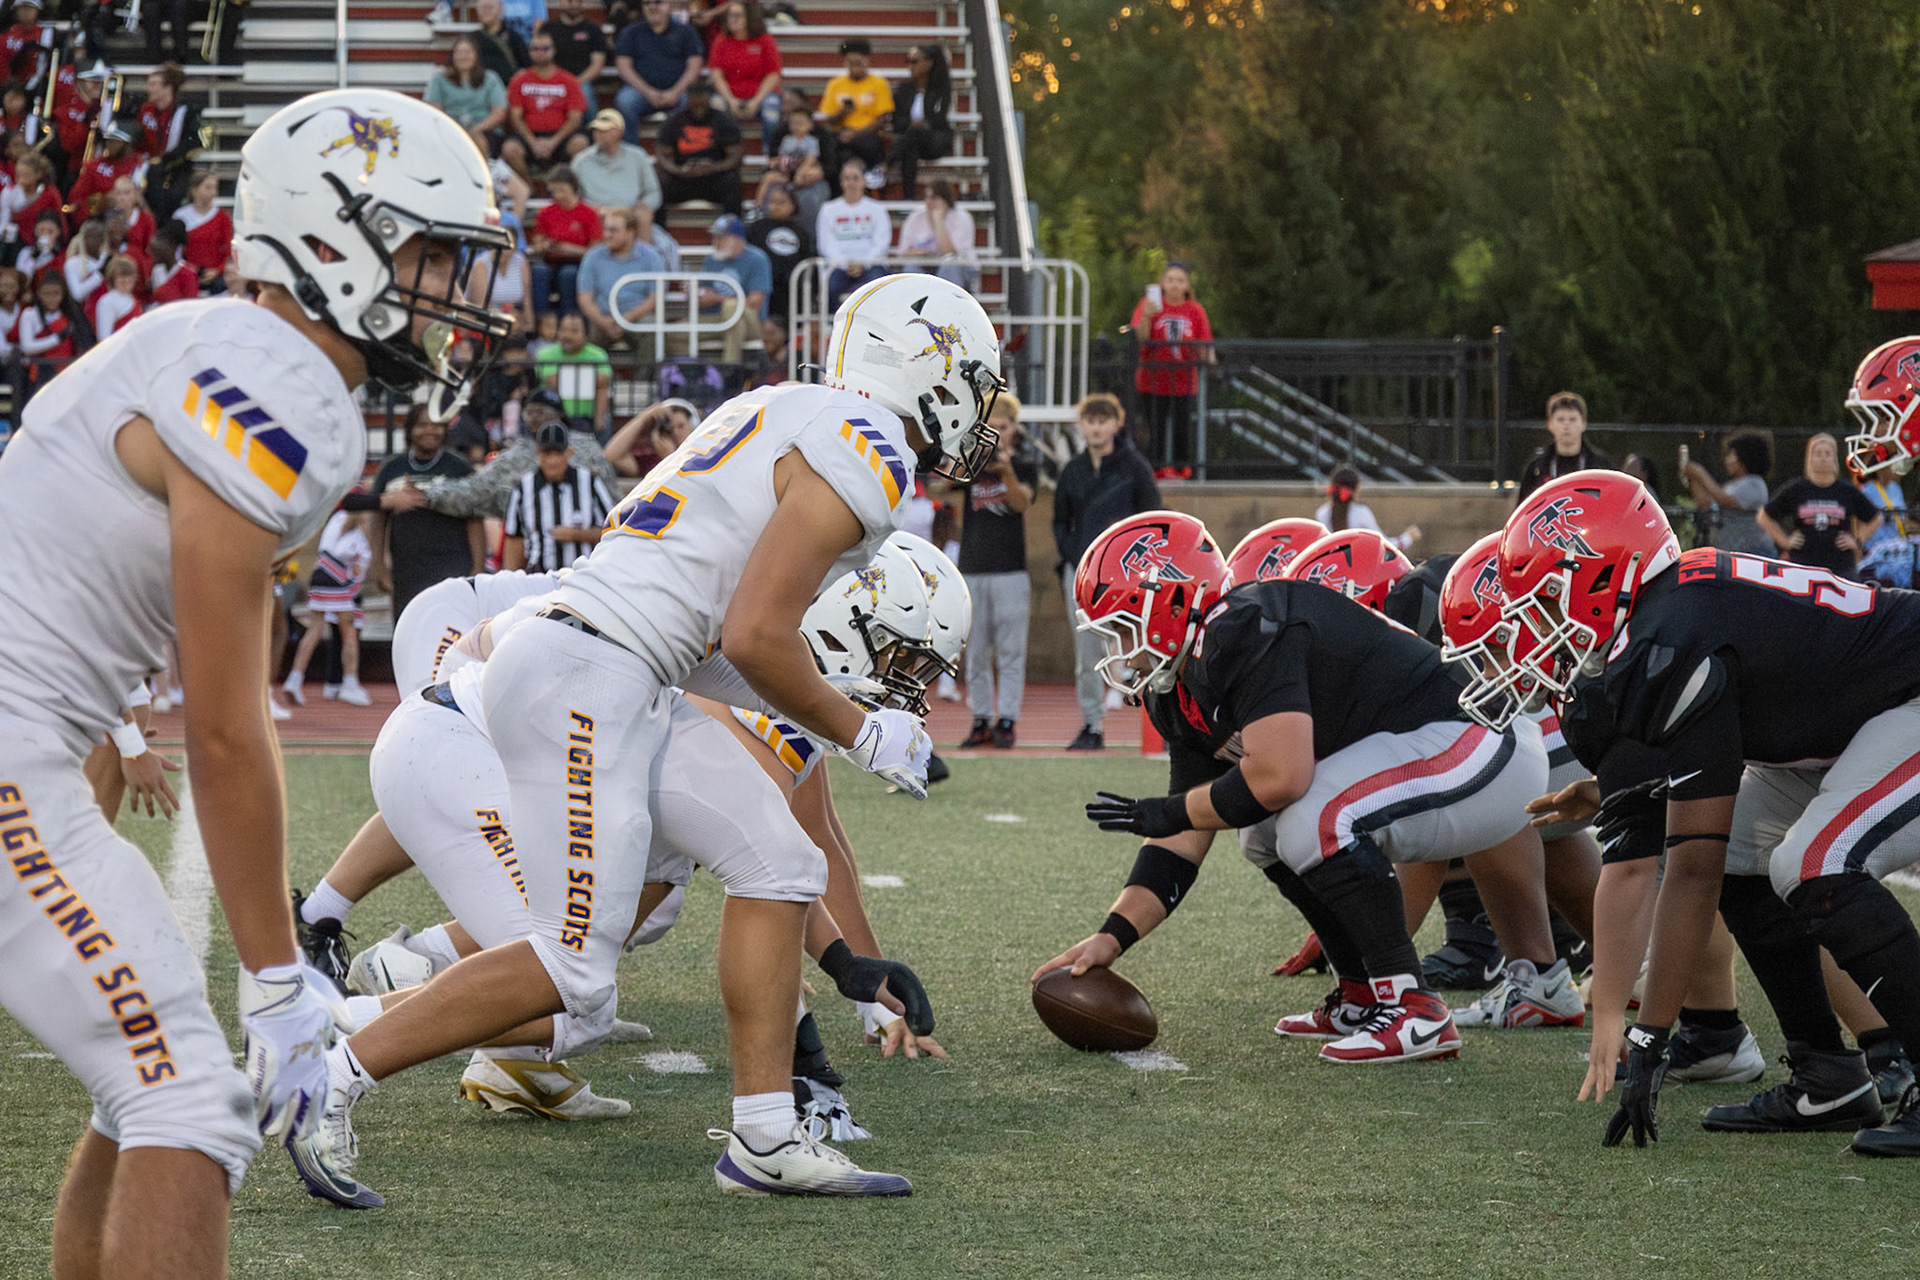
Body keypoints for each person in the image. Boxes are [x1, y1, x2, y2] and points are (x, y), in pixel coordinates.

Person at [294, 275, 1000, 1205]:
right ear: (929, 371)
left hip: (619, 666)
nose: (979, 415)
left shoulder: (778, 407)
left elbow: (710, 647)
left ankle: (763, 1139)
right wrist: (863, 728)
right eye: (975, 386)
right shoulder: (868, 452)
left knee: (780, 863)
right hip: (589, 674)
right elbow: (753, 635)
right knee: (573, 973)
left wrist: (825, 714)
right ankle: (331, 1072)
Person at [0, 85, 512, 1266]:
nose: (449, 291)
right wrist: (280, 979)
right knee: (191, 1096)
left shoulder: (211, 340)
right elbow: (227, 728)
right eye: (430, 253)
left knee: (136, 1080)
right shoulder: (278, 382)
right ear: (341, 241)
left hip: (31, 749)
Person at [1496, 470, 1920, 1154]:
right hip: (1858, 724)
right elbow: (1710, 808)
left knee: (1815, 861)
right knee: (1745, 855)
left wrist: (1649, 1037)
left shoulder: (1671, 637)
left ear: (1605, 572)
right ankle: (1829, 1074)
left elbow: (1687, 869)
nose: (1543, 621)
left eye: (1549, 594)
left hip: (1906, 701)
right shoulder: (1672, 612)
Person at [1038, 511, 1552, 1066]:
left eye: (1121, 626)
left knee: (1312, 815)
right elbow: (1184, 836)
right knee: (1259, 832)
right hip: (1442, 749)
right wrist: (1111, 938)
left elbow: (1281, 776)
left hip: (1486, 740)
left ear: (1167, 601)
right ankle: (1361, 993)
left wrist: (1166, 811)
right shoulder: (1179, 688)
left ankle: (1413, 1007)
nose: (1118, 647)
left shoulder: (1245, 627)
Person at [1052, 392, 1160, 751]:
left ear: (1117, 423)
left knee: (1147, 649)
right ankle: (1092, 724)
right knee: (1087, 656)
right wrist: (1077, 558)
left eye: (1103, 420)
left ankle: (1160, 728)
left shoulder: (1135, 468)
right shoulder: (1073, 470)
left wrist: (1134, 564)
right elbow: (1060, 522)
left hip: (1128, 578)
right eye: (1090, 421)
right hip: (1082, 578)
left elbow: (1153, 520)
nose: (1097, 428)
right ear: (1081, 425)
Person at [953, 392, 1034, 749]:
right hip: (972, 567)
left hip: (1010, 570)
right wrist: (973, 458)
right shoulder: (971, 462)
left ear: (1015, 428)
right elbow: (943, 482)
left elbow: (1022, 503)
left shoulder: (1026, 463)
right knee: (976, 651)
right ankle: (981, 718)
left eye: (1004, 426)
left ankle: (1008, 720)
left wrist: (1007, 471)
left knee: (1011, 652)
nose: (999, 433)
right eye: (992, 427)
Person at [368, 407, 484, 623]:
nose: (430, 430)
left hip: (453, 569)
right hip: (407, 572)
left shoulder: (459, 468)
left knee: (451, 637)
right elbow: (377, 520)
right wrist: (379, 566)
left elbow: (475, 521)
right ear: (410, 430)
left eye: (437, 425)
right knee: (409, 636)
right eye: (422, 425)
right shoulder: (392, 468)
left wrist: (477, 568)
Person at [284, 509, 376, 709]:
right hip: (337, 580)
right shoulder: (353, 531)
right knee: (350, 633)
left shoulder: (334, 520)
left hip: (319, 577)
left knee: (314, 630)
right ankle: (350, 682)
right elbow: (349, 557)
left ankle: (295, 678)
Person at [1758, 432, 1881, 581]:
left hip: (1840, 568)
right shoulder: (1797, 489)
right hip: (1803, 566)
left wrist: (1857, 541)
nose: (1823, 457)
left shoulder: (1846, 491)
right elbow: (1764, 517)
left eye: (1828, 453)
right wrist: (1784, 541)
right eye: (1817, 453)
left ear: (1834, 459)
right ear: (1809, 458)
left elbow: (1876, 518)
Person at [1129, 263, 1213, 468]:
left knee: (1182, 431)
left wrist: (1208, 360)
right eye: (1170, 280)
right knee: (1153, 432)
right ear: (1162, 284)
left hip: (1183, 381)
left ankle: (1180, 472)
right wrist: (1147, 315)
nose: (1175, 285)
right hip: (1153, 381)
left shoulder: (1195, 310)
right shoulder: (1148, 304)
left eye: (1180, 280)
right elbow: (1141, 338)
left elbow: (1205, 342)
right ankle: (1152, 473)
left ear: (1187, 286)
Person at [502, 419, 613, 572]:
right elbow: (514, 539)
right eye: (547, 453)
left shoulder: (590, 482)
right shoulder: (523, 488)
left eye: (558, 453)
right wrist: (510, 577)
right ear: (538, 454)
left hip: (581, 575)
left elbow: (611, 530)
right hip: (538, 575)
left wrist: (578, 535)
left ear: (569, 452)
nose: (552, 461)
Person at [613, 0, 704, 142]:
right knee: (624, 101)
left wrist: (675, 91)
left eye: (658, 2)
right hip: (641, 93)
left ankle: (684, 152)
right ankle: (631, 155)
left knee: (692, 101)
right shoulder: (630, 32)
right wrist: (648, 92)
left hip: (679, 92)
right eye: (647, 3)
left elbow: (695, 66)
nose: (652, 7)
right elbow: (623, 67)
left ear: (669, 5)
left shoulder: (686, 31)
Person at [502, 32, 589, 182]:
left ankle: (568, 188)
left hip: (561, 136)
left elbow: (575, 118)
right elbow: (516, 117)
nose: (540, 52)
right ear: (529, 52)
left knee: (580, 144)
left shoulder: (569, 80)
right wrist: (532, 142)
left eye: (545, 48)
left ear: (554, 50)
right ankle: (528, 188)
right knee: (510, 149)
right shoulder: (519, 80)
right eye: (535, 49)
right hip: (530, 136)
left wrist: (553, 142)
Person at [575, 204, 664, 349]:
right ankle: (594, 372)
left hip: (636, 317)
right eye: (606, 229)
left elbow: (655, 297)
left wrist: (626, 318)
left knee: (651, 330)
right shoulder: (592, 256)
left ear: (630, 232)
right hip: (602, 317)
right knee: (581, 334)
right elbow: (584, 297)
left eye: (614, 230)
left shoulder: (652, 257)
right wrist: (603, 321)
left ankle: (647, 373)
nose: (607, 235)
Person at [654, 78, 744, 215]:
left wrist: (713, 168)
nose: (698, 104)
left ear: (709, 99)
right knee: (660, 181)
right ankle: (658, 231)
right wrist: (679, 170)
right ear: (687, 99)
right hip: (683, 179)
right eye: (694, 99)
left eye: (702, 99)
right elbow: (662, 155)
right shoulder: (674, 121)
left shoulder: (724, 121)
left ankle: (732, 229)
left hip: (713, 178)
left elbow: (736, 156)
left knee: (732, 180)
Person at [1679, 429, 1773, 555]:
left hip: (1753, 552)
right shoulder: (1733, 485)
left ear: (1744, 457)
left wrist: (1700, 473)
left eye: (1732, 455)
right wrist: (1693, 479)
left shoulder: (1755, 484)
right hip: (1730, 551)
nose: (1728, 460)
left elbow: (1726, 500)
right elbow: (1706, 503)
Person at [815, 156, 890, 311]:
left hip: (871, 264)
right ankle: (832, 326)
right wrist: (845, 264)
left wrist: (863, 263)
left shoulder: (877, 209)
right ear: (841, 182)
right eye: (847, 178)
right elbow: (826, 243)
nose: (851, 183)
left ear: (863, 181)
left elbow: (882, 242)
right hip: (838, 265)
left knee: (877, 286)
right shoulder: (828, 209)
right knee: (831, 286)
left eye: (855, 178)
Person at [1513, 390, 1613, 504]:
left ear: (1584, 424)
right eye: (1561, 419)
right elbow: (1523, 511)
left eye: (1573, 419)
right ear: (1550, 424)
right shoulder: (1538, 468)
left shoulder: (1600, 466)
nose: (1567, 425)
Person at [708, 0, 782, 153]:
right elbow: (716, 75)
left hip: (761, 95)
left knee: (772, 113)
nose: (732, 19)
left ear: (750, 18)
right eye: (730, 16)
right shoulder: (721, 40)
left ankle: (771, 158)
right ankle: (721, 155)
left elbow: (773, 75)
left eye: (738, 15)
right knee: (716, 107)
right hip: (729, 95)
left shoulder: (765, 40)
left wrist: (756, 101)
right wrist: (731, 100)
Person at [527, 165, 602, 315]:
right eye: (554, 191)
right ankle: (541, 322)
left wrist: (570, 249)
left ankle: (568, 319)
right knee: (539, 272)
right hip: (551, 261)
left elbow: (596, 251)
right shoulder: (545, 213)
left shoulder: (588, 213)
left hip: (578, 263)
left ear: (572, 188)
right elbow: (537, 245)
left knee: (568, 274)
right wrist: (545, 246)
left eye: (562, 190)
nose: (558, 195)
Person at [699, 213, 769, 363]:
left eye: (721, 238)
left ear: (736, 239)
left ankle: (728, 370)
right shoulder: (711, 259)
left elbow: (755, 302)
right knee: (673, 335)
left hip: (752, 321)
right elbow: (702, 298)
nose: (715, 242)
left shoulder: (757, 258)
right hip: (715, 320)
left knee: (731, 308)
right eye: (715, 237)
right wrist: (693, 294)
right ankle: (694, 375)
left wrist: (717, 298)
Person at [426, 35, 510, 158]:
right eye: (459, 52)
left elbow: (499, 112)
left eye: (467, 52)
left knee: (476, 140)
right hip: (449, 130)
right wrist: (455, 131)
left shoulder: (491, 78)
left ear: (476, 55)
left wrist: (475, 131)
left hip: (485, 131)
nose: (463, 56)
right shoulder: (439, 79)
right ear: (452, 56)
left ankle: (485, 172)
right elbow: (434, 111)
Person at [820, 36, 892, 176]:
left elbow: (881, 119)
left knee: (864, 146)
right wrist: (842, 113)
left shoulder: (879, 83)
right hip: (842, 134)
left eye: (858, 63)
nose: (855, 68)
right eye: (851, 64)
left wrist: (855, 134)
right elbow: (830, 119)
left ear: (867, 61)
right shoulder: (835, 84)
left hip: (867, 134)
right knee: (831, 146)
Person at [136, 64, 198, 220]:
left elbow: (193, 143)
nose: (148, 89)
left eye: (153, 84)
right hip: (146, 167)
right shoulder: (143, 109)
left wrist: (166, 161)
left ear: (168, 88)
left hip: (175, 170)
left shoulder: (186, 112)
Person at [890, 43, 951, 197]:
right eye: (908, 61)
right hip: (911, 140)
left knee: (914, 134)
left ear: (929, 63)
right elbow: (897, 122)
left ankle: (886, 164)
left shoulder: (941, 90)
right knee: (911, 145)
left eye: (914, 61)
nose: (910, 66)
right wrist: (913, 126)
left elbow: (938, 121)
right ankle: (908, 198)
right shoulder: (904, 90)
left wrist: (920, 126)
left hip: (934, 140)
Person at [747, 180, 810, 328]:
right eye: (773, 202)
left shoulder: (800, 231)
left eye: (782, 202)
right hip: (766, 283)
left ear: (793, 205)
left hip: (792, 287)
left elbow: (806, 258)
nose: (776, 206)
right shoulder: (757, 228)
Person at [572, 106, 661, 210]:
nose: (600, 134)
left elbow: (653, 192)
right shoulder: (581, 161)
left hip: (630, 216)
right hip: (595, 216)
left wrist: (642, 208)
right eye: (597, 130)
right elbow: (573, 195)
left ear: (619, 131)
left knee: (644, 217)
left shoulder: (638, 156)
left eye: (605, 130)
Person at [535, 310, 612, 429]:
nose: (567, 335)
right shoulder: (545, 354)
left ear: (586, 335)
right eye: (563, 330)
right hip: (555, 417)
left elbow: (604, 381)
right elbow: (554, 381)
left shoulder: (598, 355)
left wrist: (567, 377)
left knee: (606, 420)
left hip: (588, 416)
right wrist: (592, 379)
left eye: (574, 331)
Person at [1314, 466, 1420, 550]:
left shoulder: (1321, 513)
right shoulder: (1361, 513)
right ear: (1357, 488)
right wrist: (1408, 537)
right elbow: (1384, 545)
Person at [896, 178, 975, 290]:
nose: (929, 202)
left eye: (934, 198)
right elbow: (903, 251)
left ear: (946, 199)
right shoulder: (916, 216)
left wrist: (938, 221)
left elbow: (951, 253)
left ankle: (945, 304)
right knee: (911, 267)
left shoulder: (962, 217)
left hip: (959, 267)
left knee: (950, 267)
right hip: (924, 264)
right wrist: (921, 253)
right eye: (926, 197)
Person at [538, 0, 609, 114]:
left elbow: (597, 66)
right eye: (569, 1)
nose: (574, 4)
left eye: (578, 1)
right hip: (553, 82)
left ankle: (592, 130)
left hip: (582, 81)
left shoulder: (593, 30)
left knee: (584, 92)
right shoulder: (548, 29)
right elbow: (541, 60)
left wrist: (574, 83)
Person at [175, 169, 231, 293]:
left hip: (216, 276)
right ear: (195, 189)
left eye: (214, 188)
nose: (212, 193)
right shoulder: (181, 216)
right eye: (208, 188)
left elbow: (228, 250)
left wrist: (217, 270)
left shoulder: (222, 216)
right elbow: (175, 251)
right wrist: (191, 270)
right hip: (188, 273)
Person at [472, 0, 531, 88]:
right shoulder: (471, 38)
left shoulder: (513, 37)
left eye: (490, 8)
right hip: (478, 89)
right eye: (482, 8)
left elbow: (526, 66)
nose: (485, 11)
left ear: (501, 10)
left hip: (507, 88)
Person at [91, 254, 141, 339]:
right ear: (113, 279)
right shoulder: (106, 301)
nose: (126, 280)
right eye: (121, 276)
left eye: (129, 275)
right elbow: (104, 338)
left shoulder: (132, 298)